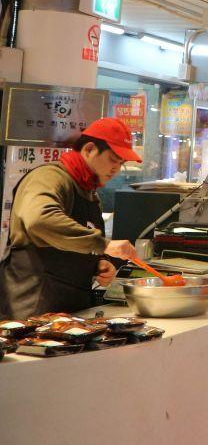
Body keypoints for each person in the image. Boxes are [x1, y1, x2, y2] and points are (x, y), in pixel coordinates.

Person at [0, 119, 141, 319]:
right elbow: (40, 220)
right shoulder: (49, 177)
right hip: (32, 308)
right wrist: (103, 245)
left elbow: (79, 243)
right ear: (89, 149)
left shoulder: (89, 192)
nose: (116, 169)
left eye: (121, 164)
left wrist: (100, 263)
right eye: (112, 159)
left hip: (72, 309)